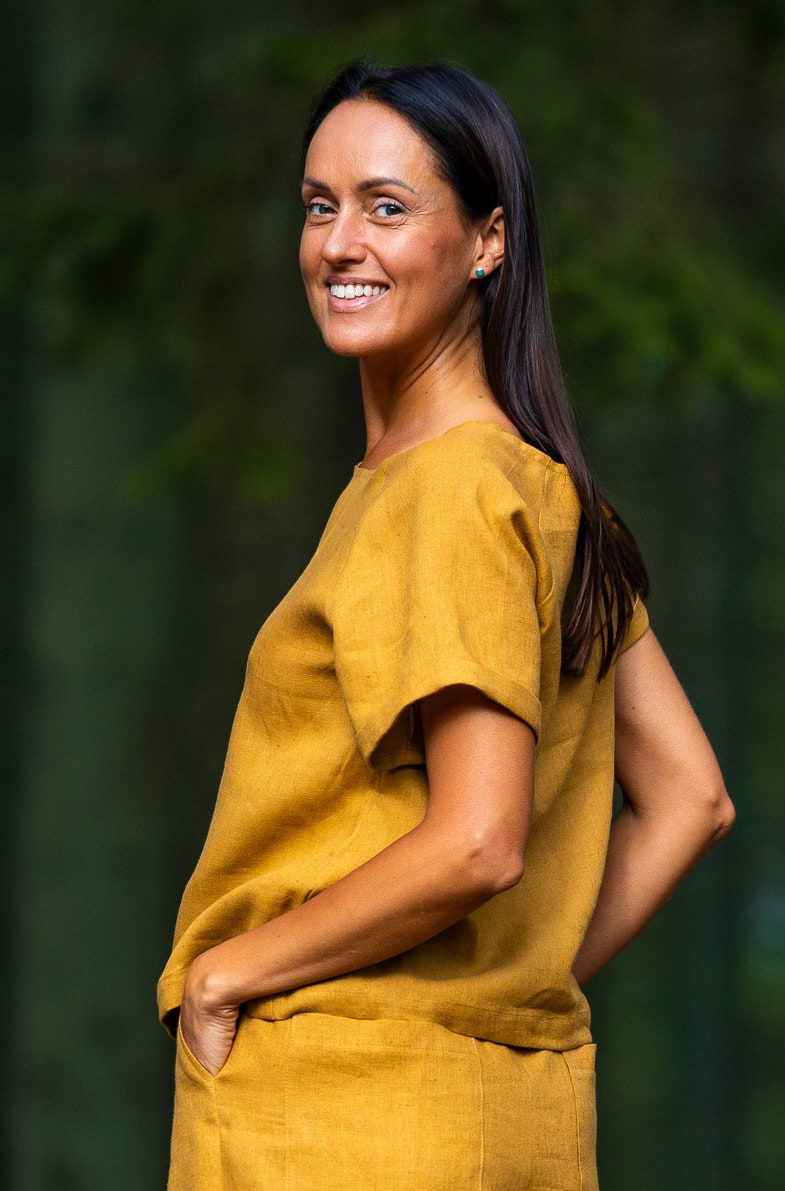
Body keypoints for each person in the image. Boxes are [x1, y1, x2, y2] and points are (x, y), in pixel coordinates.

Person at [157, 61, 735, 1190]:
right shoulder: (543, 493)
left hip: (345, 1116)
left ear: (487, 241)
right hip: (504, 1110)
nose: (337, 243)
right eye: (319, 206)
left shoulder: (446, 488)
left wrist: (229, 974)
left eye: (386, 206)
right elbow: (690, 798)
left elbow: (478, 838)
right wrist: (504, 984)